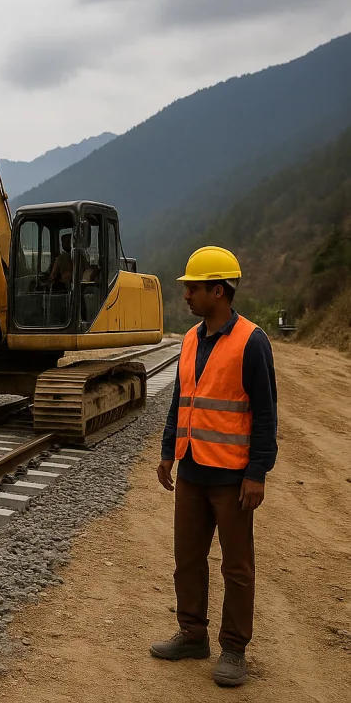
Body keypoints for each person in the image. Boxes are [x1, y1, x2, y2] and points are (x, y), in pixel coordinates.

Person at [151, 246, 277, 687]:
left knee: (237, 566)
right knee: (187, 558)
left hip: (232, 477)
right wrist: (169, 451)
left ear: (218, 291)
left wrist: (257, 472)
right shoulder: (189, 339)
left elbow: (265, 413)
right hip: (191, 470)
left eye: (193, 288)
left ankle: (235, 650)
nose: (185, 295)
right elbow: (180, 401)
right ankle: (192, 634)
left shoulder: (252, 341)